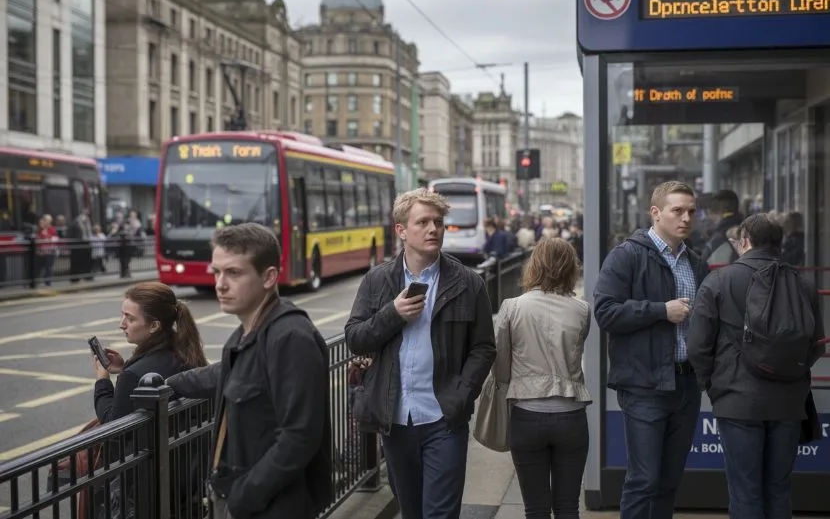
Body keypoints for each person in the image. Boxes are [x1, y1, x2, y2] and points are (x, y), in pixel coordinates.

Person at [345, 188, 496, 519]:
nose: (433, 229)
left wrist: (460, 395)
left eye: (438, 222)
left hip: (443, 419)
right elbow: (355, 338)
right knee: (411, 511)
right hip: (396, 421)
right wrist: (392, 314)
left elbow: (484, 347)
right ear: (401, 230)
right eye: (423, 222)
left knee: (439, 514)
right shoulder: (378, 281)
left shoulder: (467, 283)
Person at [166, 223, 331, 519]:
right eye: (216, 272)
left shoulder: (290, 337)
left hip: (270, 507)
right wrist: (169, 384)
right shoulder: (247, 331)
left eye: (234, 273)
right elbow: (225, 374)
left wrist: (244, 498)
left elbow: (300, 436)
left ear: (268, 277)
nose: (220, 284)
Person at [687, 213, 826, 519]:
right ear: (779, 243)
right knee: (779, 488)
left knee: (745, 491)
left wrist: (714, 385)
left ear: (745, 241)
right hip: (789, 403)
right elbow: (815, 345)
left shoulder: (719, 280)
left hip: (737, 401)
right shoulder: (803, 284)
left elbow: (697, 345)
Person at [593, 181, 709, 519]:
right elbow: (605, 312)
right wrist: (661, 310)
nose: (686, 218)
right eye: (678, 211)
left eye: (691, 211)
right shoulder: (627, 255)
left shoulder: (695, 262)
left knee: (670, 482)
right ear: (655, 213)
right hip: (644, 385)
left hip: (686, 384)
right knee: (643, 480)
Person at [493, 237, 591, 519]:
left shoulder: (512, 307)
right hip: (572, 417)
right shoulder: (582, 309)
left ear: (533, 265)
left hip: (527, 415)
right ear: (571, 268)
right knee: (568, 507)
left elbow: (500, 365)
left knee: (535, 509)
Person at [93, 281, 207, 423]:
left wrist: (103, 380)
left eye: (130, 318)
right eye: (122, 315)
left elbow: (112, 423)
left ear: (154, 325)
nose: (121, 325)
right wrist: (125, 368)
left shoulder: (133, 375)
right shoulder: (184, 351)